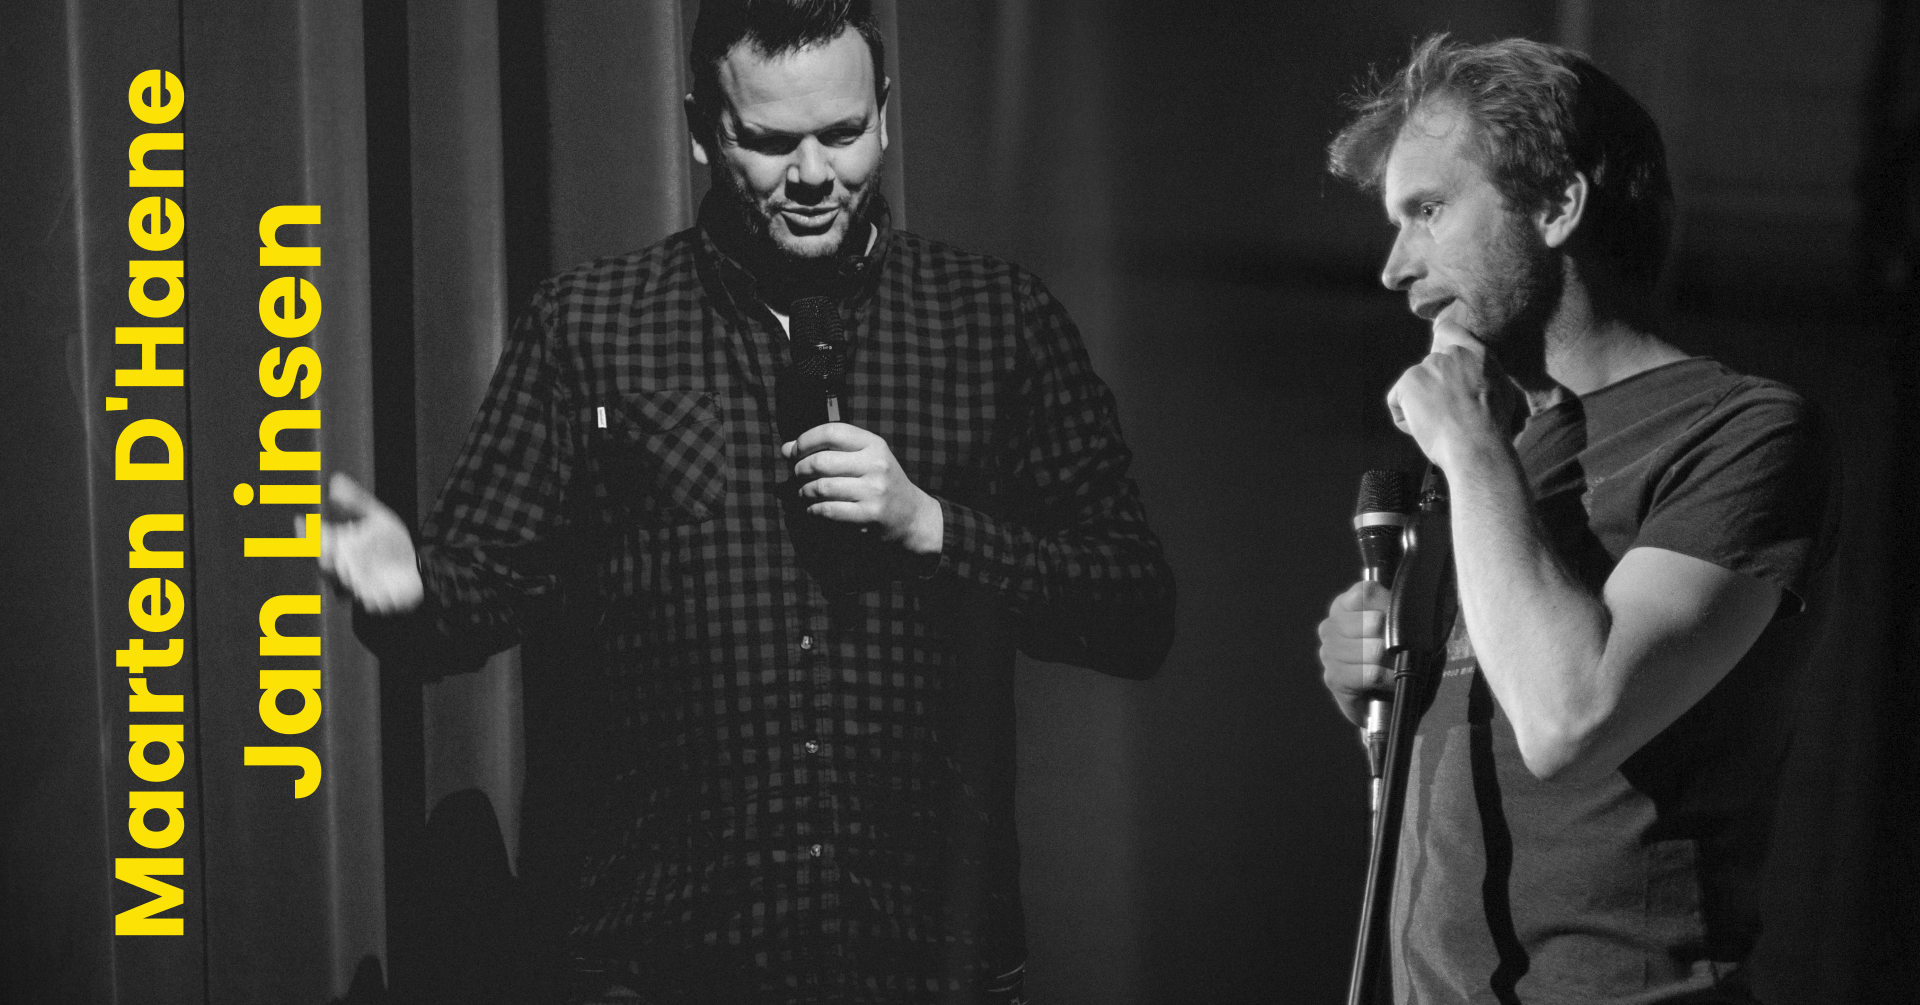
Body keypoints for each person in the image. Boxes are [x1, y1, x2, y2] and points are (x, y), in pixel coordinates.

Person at [319, 1, 1175, 1002]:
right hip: (668, 962)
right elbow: (476, 596)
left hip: (931, 964)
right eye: (769, 142)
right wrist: (406, 592)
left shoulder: (997, 321)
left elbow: (1135, 612)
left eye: (843, 135)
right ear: (700, 129)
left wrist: (933, 527)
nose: (812, 177)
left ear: (886, 115)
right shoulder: (591, 328)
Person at [1315, 36, 1836, 1003]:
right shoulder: (1501, 458)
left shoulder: (1741, 431)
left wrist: (1469, 448)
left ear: (1557, 204)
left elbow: (1568, 717)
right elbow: (1482, 756)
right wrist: (1378, 687)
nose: (1394, 267)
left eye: (1427, 211)